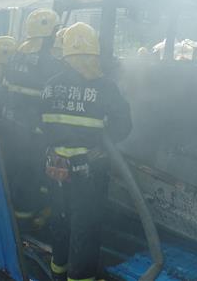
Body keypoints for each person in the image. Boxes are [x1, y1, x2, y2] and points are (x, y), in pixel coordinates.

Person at [39, 22, 132, 281]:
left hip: (56, 169)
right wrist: (102, 139)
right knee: (85, 230)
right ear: (94, 53)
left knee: (60, 223)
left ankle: (58, 273)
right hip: (88, 173)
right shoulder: (105, 87)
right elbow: (124, 126)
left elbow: (42, 123)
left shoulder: (51, 85)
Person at [1, 8, 63, 226]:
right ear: (49, 31)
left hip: (12, 127)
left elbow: (6, 89)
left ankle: (14, 216)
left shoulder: (15, 55)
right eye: (56, 30)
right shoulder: (52, 63)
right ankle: (26, 221)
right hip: (35, 132)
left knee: (15, 171)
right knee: (32, 175)